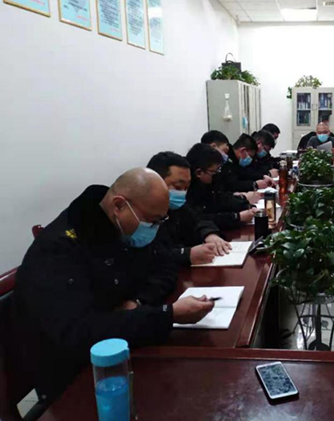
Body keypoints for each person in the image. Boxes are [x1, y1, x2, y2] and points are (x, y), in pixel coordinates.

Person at [11, 168, 215, 401]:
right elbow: (81, 333)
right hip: (79, 376)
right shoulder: (58, 251)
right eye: (152, 221)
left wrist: (138, 302)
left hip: (126, 346)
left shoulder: (124, 226)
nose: (154, 228)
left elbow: (164, 265)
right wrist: (167, 315)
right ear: (119, 205)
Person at [147, 152, 232, 266]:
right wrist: (186, 254)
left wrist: (210, 234)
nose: (182, 192)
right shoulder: (142, 214)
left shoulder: (178, 207)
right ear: (155, 182)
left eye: (186, 187)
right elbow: (151, 257)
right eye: (178, 187)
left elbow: (199, 219)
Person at [186, 143, 258, 230]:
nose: (217, 174)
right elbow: (201, 218)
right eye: (214, 171)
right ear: (199, 172)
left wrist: (247, 206)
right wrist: (236, 217)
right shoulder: (187, 189)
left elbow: (222, 199)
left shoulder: (209, 182)